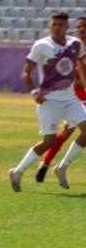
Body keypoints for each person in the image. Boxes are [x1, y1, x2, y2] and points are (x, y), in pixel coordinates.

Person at [9, 12, 86, 192]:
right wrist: (34, 92)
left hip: (70, 99)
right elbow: (25, 73)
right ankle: (17, 171)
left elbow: (80, 64)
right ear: (50, 25)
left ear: (67, 28)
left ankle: (62, 167)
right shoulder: (41, 46)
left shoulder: (76, 44)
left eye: (61, 25)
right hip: (49, 100)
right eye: (54, 24)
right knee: (49, 141)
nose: (57, 27)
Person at [35, 16, 86, 182]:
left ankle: (54, 165)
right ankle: (48, 164)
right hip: (73, 94)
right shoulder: (71, 48)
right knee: (66, 133)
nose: (82, 29)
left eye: (85, 26)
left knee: (70, 133)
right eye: (79, 27)